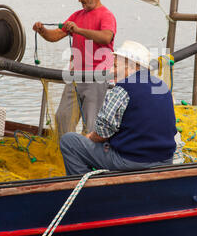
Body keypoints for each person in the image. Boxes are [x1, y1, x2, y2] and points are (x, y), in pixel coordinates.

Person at [60, 40, 177, 175]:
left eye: (115, 66)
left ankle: (84, 188)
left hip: (131, 161)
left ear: (132, 67)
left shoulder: (122, 89)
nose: (111, 71)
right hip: (166, 159)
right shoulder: (161, 86)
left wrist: (89, 137)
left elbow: (102, 133)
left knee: (69, 141)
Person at [33, 0, 117, 136]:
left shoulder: (106, 15)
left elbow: (106, 37)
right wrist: (43, 30)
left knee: (91, 125)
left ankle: (89, 158)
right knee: (62, 117)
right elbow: (55, 36)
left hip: (97, 77)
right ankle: (68, 153)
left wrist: (78, 30)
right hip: (75, 76)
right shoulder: (77, 15)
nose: (80, 0)